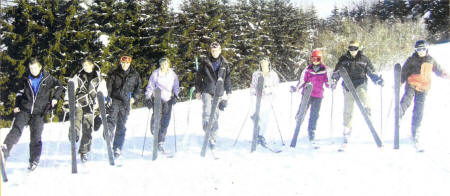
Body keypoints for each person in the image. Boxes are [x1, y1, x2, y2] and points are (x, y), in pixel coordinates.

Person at [2, 58, 64, 171]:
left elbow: (60, 86)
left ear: (40, 67)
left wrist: (55, 99)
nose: (33, 70)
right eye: (31, 68)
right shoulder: (25, 78)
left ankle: (34, 160)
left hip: (39, 112)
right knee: (16, 130)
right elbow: (19, 93)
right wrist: (16, 105)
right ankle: (4, 152)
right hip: (24, 109)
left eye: (35, 68)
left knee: (36, 137)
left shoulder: (48, 78)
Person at [330, 41, 384, 145]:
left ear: (358, 49)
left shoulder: (364, 59)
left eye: (355, 48)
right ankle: (347, 128)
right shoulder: (343, 59)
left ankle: (367, 109)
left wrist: (377, 79)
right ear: (348, 48)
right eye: (351, 48)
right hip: (348, 85)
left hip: (360, 83)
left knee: (363, 94)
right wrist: (334, 81)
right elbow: (337, 71)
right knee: (348, 108)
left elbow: (371, 71)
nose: (352, 51)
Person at [399, 40, 448, 152]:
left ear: (426, 49)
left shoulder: (430, 60)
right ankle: (399, 113)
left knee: (419, 110)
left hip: (424, 88)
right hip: (412, 84)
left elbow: (439, 70)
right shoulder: (411, 60)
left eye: (422, 49)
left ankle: (415, 131)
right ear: (415, 50)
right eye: (418, 49)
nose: (420, 52)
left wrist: (445, 74)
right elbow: (404, 72)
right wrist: (400, 82)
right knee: (407, 99)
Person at [64, 58, 107, 162]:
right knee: (76, 118)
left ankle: (84, 151)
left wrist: (98, 103)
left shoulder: (99, 78)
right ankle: (74, 133)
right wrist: (66, 100)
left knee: (88, 127)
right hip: (80, 101)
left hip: (92, 105)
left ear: (92, 65)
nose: (86, 67)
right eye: (84, 65)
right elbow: (71, 88)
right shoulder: (78, 76)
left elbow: (103, 92)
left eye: (87, 65)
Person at [195, 42, 232, 150]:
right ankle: (207, 129)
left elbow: (228, 79)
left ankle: (213, 138)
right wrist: (198, 90)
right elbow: (198, 77)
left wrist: (229, 91)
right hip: (207, 90)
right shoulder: (205, 62)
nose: (214, 52)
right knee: (207, 111)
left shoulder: (224, 64)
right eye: (212, 50)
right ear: (211, 51)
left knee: (215, 115)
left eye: (216, 50)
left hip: (218, 92)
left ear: (220, 51)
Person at [106, 55, 142, 159]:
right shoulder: (114, 73)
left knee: (122, 125)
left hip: (126, 102)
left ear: (130, 63)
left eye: (127, 63)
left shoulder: (135, 75)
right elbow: (109, 86)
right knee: (111, 117)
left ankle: (117, 147)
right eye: (123, 62)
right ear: (120, 62)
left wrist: (134, 98)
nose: (125, 64)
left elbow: (138, 88)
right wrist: (107, 97)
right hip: (115, 99)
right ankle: (108, 133)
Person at [290, 49, 329, 146]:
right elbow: (302, 81)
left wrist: (332, 84)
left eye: (318, 59)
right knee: (302, 111)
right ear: (311, 59)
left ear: (321, 59)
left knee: (314, 114)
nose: (315, 61)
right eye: (313, 58)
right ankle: (298, 122)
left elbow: (328, 83)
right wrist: (296, 88)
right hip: (307, 94)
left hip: (318, 95)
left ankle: (311, 131)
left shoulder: (324, 70)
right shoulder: (307, 69)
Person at [145, 57, 180, 153]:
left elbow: (176, 86)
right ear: (160, 64)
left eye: (166, 64)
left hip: (168, 99)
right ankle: (154, 126)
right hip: (158, 98)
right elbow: (150, 86)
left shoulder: (172, 74)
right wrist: (148, 97)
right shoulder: (156, 74)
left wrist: (176, 96)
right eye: (162, 64)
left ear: (169, 64)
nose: (164, 66)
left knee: (165, 121)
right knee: (158, 116)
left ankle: (160, 142)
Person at [250, 56, 280, 147]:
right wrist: (254, 92)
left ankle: (262, 136)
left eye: (265, 62)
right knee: (257, 117)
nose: (263, 64)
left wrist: (269, 90)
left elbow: (277, 87)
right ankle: (257, 135)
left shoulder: (273, 75)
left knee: (266, 118)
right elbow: (252, 86)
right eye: (262, 62)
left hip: (269, 99)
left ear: (268, 63)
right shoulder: (256, 74)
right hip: (258, 99)